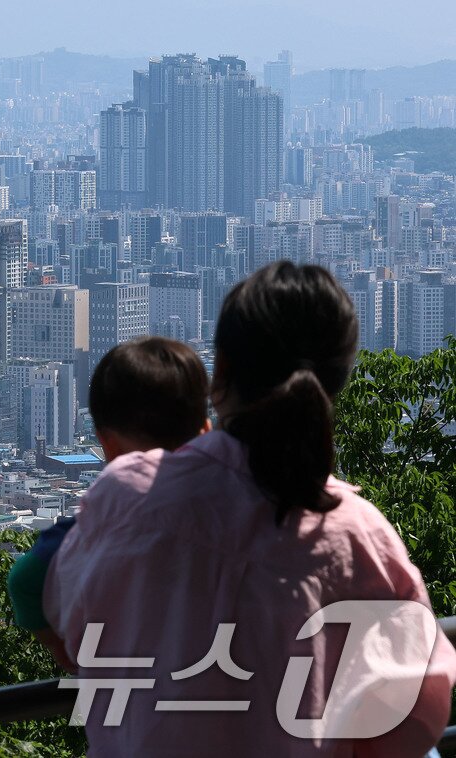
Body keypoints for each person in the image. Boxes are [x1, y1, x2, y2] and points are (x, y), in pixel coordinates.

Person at [44, 261, 456, 756]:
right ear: (336, 384)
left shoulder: (128, 497)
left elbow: (69, 625)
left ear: (218, 376)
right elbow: (414, 714)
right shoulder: (359, 537)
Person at [8, 336, 210, 671]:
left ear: (106, 444)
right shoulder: (240, 506)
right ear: (205, 430)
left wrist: (68, 655)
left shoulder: (92, 530)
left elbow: (24, 581)